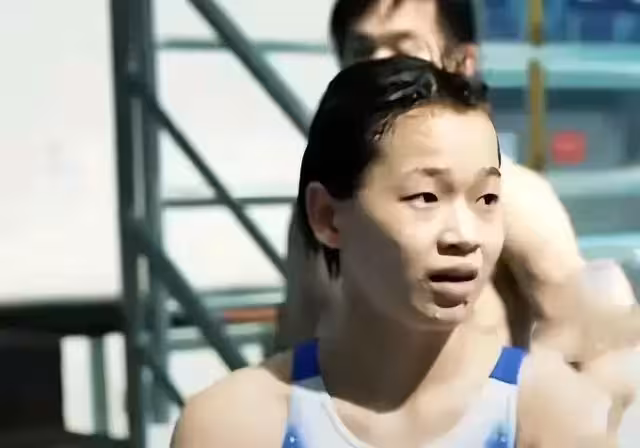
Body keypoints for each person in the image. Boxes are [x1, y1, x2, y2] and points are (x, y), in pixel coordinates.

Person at [172, 57, 616, 448]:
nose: (464, 236)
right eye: (425, 197)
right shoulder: (232, 427)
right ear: (327, 216)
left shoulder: (559, 420)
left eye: (486, 199)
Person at [276, 0, 640, 376]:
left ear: (464, 62)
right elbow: (297, 338)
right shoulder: (323, 205)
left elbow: (586, 342)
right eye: (362, 50)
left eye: (403, 48)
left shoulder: (510, 196)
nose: (377, 65)